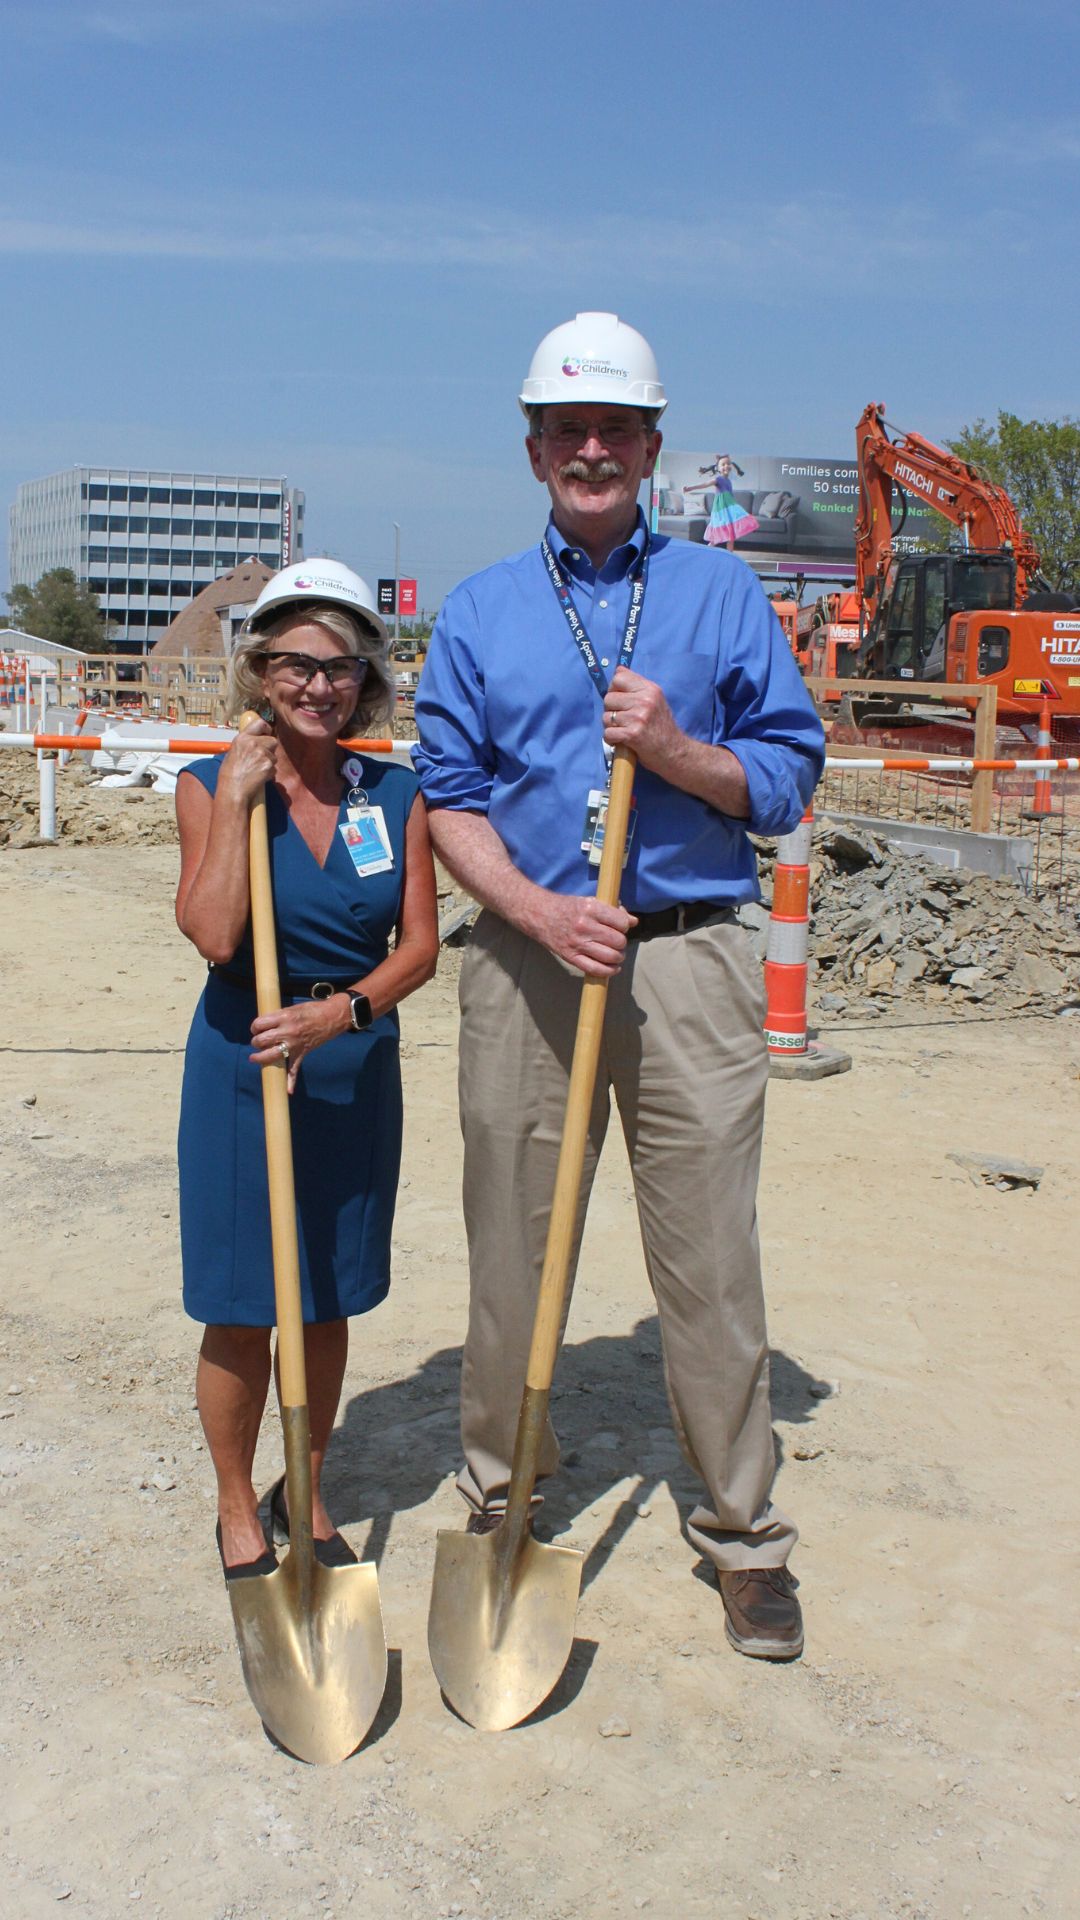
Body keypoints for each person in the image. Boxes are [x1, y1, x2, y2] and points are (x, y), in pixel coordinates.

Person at [414, 312, 825, 1660]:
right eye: (568, 431)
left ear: (651, 446)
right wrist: (534, 908)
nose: (593, 450)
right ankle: (498, 1497)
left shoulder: (720, 596)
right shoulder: (477, 612)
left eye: (616, 431)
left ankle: (743, 1537)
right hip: (530, 962)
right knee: (512, 1254)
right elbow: (450, 798)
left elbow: (785, 772)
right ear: (535, 449)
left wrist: (681, 749)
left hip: (692, 956)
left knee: (708, 1261)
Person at [175, 559, 439, 1579]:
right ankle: (239, 1507)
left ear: (365, 678)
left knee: (326, 1299)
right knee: (244, 1306)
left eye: (339, 667)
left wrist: (345, 1011)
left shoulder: (396, 796)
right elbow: (211, 933)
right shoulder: (211, 786)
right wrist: (241, 797)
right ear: (261, 671)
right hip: (247, 1064)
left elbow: (416, 945)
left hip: (350, 1063)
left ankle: (308, 1481)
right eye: (295, 663)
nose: (318, 685)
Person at [684, 453, 759, 548]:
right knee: (715, 539)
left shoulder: (729, 481)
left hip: (729, 509)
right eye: (723, 464)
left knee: (731, 536)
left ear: (731, 466)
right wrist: (690, 488)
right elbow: (705, 484)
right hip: (720, 510)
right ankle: (707, 551)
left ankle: (730, 556)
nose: (726, 466)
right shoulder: (718, 479)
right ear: (718, 468)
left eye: (728, 464)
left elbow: (730, 497)